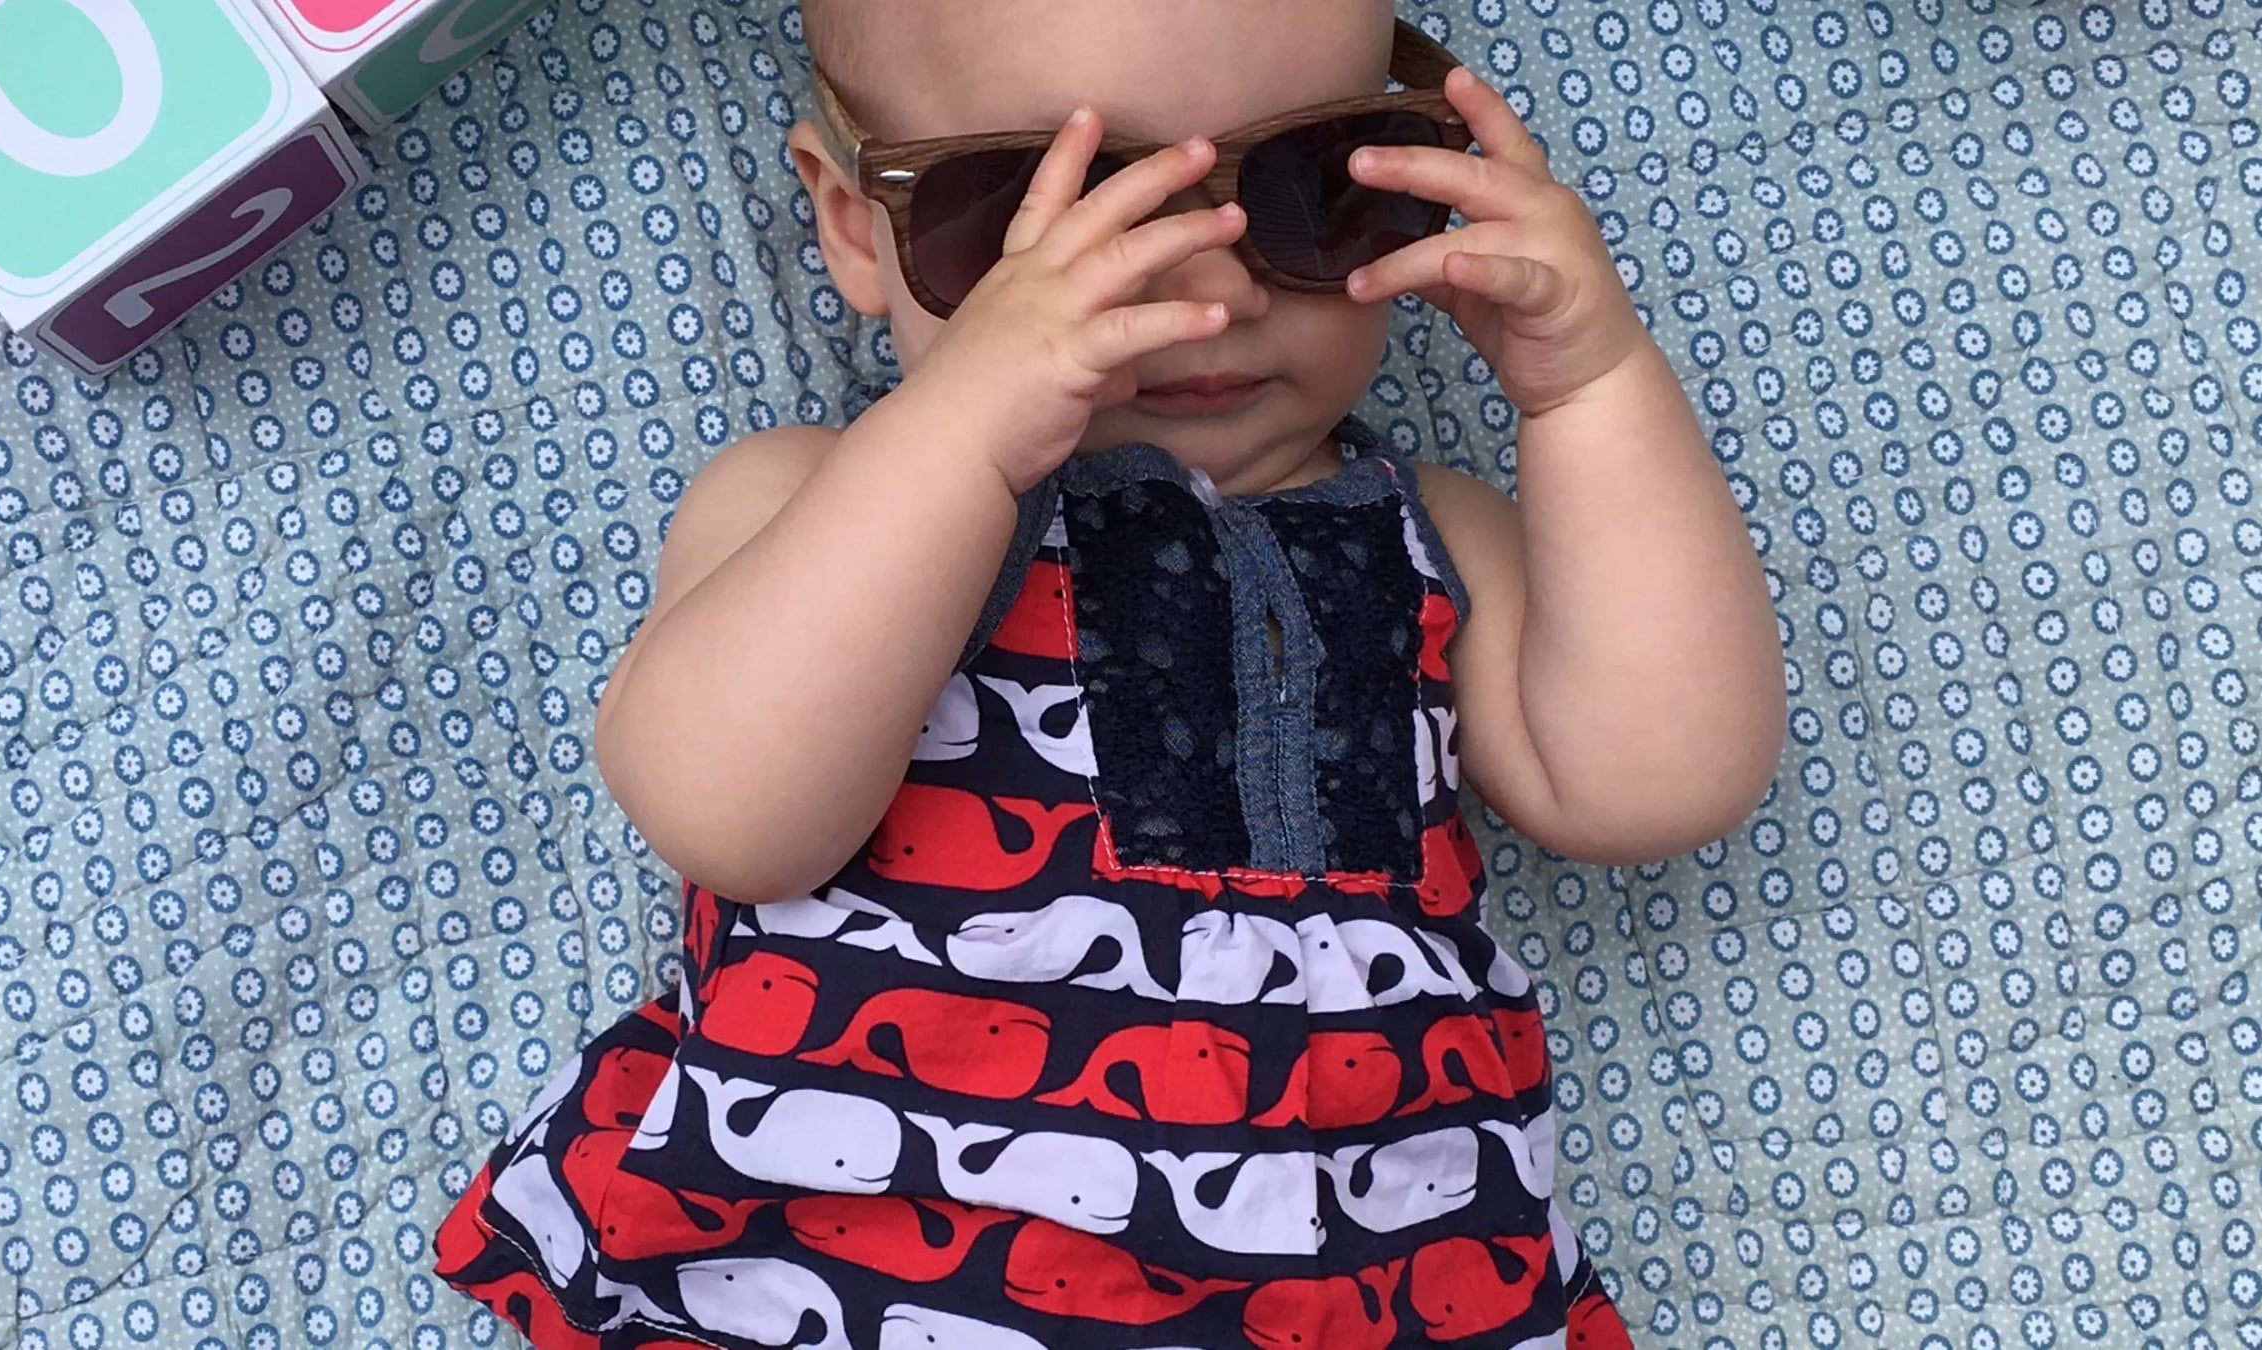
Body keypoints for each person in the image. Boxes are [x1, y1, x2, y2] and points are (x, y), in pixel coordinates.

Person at [435, 1, 1785, 1345]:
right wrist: (963, 434)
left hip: (1386, 1290)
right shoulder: (808, 504)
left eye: (1309, 188)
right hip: (861, 1284)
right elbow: (729, 816)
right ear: (856, 228)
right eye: (1064, 210)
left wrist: (1587, 387)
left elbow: (1659, 779)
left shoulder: (1434, 541)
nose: (1214, 297)